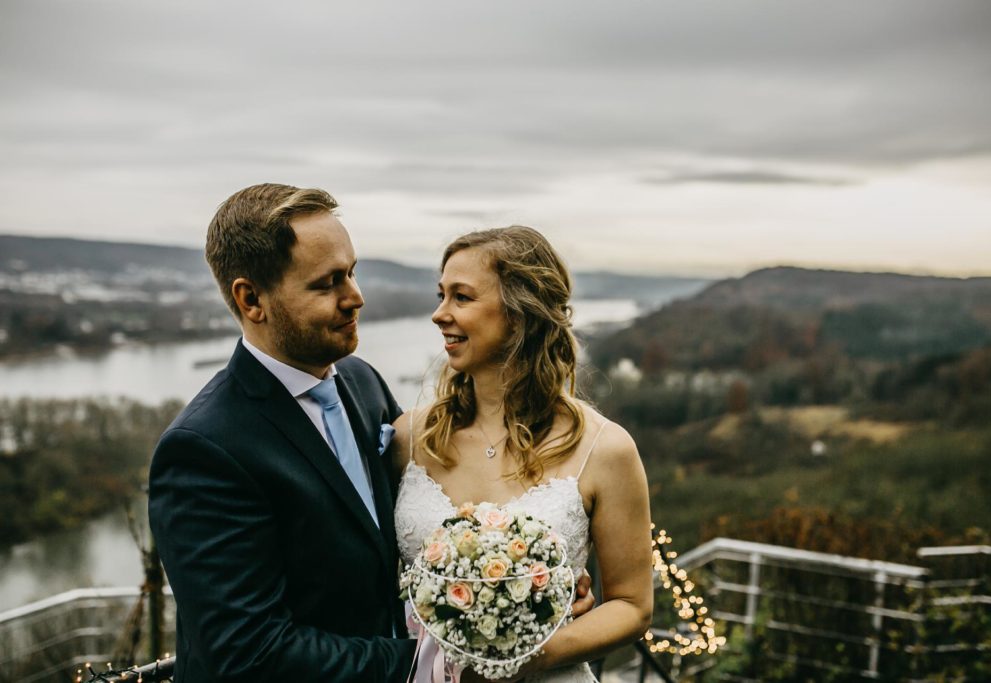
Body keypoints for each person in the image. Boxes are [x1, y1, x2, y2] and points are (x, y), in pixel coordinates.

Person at [148, 183, 416, 681]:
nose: (355, 297)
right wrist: (423, 668)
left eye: (352, 273)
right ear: (252, 299)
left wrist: (533, 588)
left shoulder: (363, 381)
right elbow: (251, 653)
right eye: (327, 283)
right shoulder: (202, 450)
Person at [392, 226, 653, 682]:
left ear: (519, 313)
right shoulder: (409, 437)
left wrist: (531, 657)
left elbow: (633, 606)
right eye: (441, 295)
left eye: (462, 298)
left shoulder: (605, 449)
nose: (439, 314)